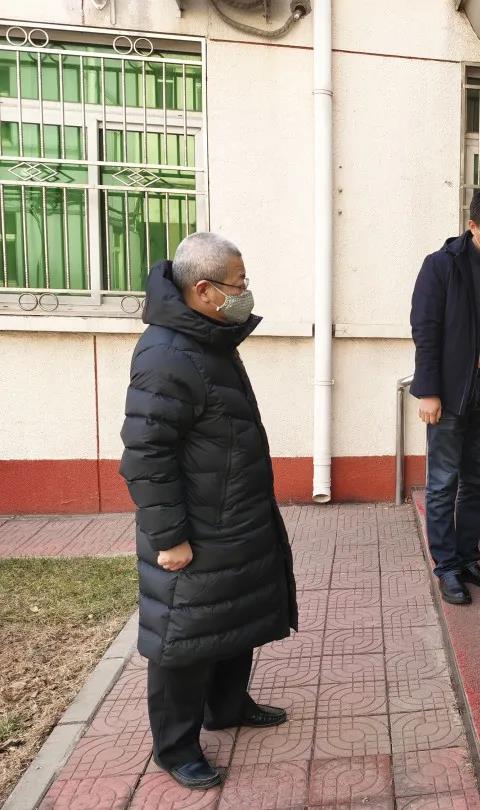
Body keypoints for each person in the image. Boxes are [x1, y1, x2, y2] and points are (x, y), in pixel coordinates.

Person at [119, 233, 297, 790]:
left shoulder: (208, 337)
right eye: (238, 285)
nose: (245, 294)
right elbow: (146, 455)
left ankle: (227, 705)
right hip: (195, 525)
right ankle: (176, 747)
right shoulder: (168, 354)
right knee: (185, 637)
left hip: (232, 513)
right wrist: (169, 537)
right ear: (203, 289)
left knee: (233, 616)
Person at [410, 187, 480, 605]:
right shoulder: (442, 265)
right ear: (473, 226)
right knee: (443, 482)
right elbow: (425, 330)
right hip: (448, 391)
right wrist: (428, 391)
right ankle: (447, 567)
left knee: (477, 481)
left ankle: (468, 557)